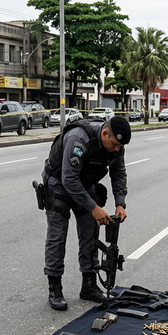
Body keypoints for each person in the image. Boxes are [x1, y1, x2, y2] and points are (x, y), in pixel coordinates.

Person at [39, 116, 130, 311]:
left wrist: (120, 203)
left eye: (119, 146)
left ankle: (88, 286)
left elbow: (119, 173)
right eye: (114, 144)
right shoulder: (79, 139)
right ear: (105, 134)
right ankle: (55, 289)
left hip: (85, 184)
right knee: (57, 237)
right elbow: (69, 179)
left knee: (90, 234)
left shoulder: (117, 146)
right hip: (59, 184)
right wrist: (94, 207)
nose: (116, 149)